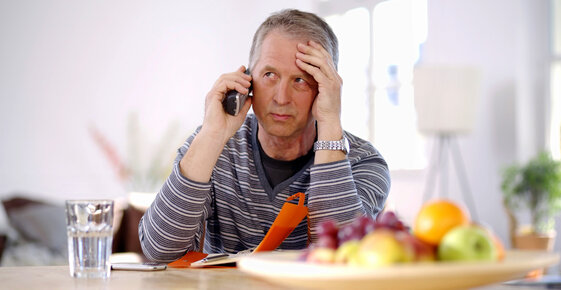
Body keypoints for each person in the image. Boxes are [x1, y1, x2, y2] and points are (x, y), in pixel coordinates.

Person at [139, 9, 390, 262]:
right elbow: (159, 251)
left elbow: (342, 258)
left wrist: (330, 120)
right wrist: (213, 134)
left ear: (327, 88)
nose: (281, 98)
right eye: (269, 75)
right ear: (248, 80)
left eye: (301, 80)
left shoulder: (363, 161)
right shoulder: (213, 145)